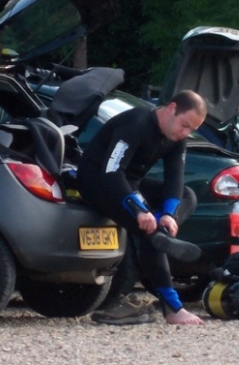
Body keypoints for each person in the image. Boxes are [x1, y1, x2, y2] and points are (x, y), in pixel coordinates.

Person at [76, 90, 207, 325]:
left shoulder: (176, 138)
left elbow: (175, 179)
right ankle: (173, 308)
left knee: (187, 196)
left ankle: (162, 233)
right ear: (171, 109)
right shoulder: (136, 124)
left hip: (131, 183)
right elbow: (112, 172)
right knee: (149, 231)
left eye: (192, 129)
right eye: (185, 125)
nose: (185, 133)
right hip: (98, 181)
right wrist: (139, 210)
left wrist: (169, 214)